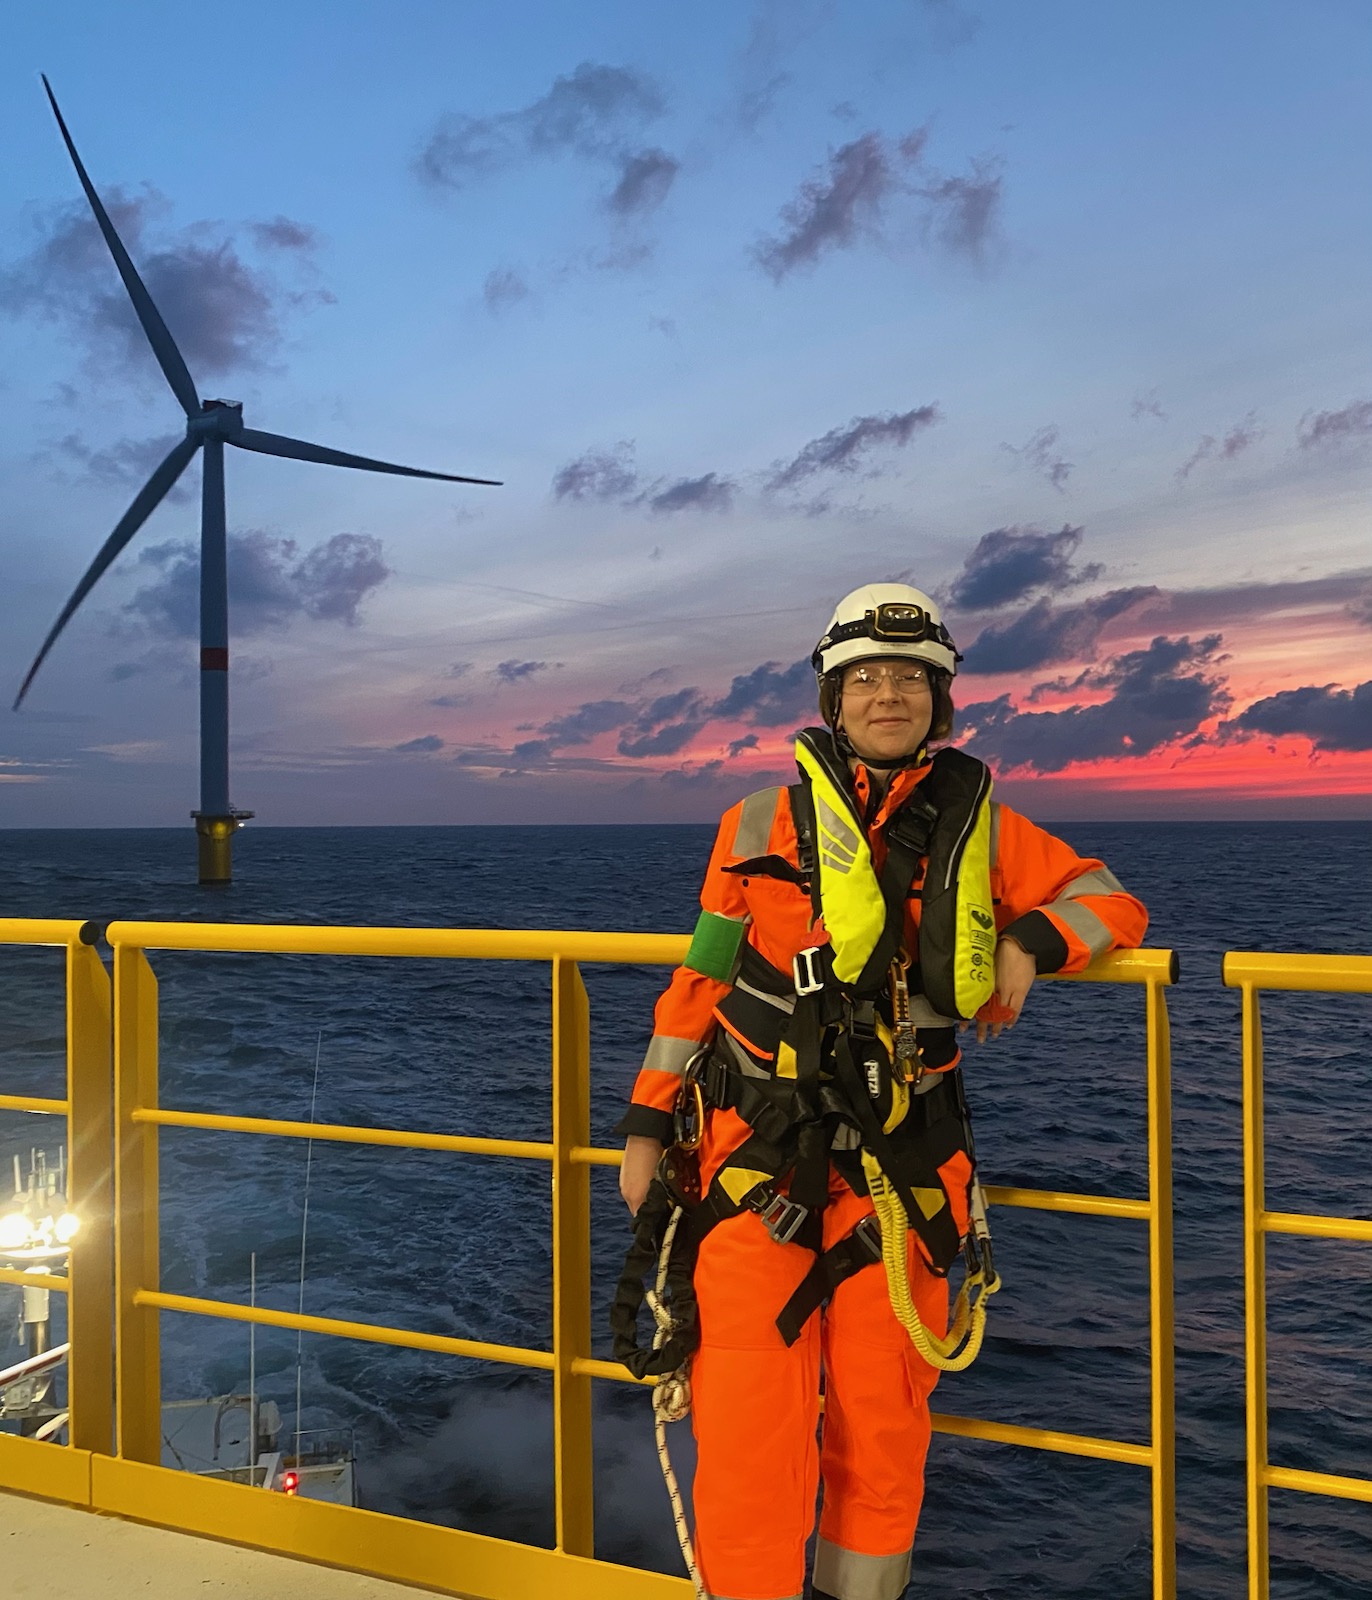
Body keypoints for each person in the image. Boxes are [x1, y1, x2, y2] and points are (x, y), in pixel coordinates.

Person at [617, 582, 1148, 1600]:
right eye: (866, 677)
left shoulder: (983, 827)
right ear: (833, 697)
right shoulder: (754, 823)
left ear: (939, 700)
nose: (888, 694)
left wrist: (1034, 943)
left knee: (881, 1423)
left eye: (909, 677)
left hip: (899, 1172)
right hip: (747, 1159)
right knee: (747, 1431)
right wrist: (646, 1125)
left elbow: (1108, 897)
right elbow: (701, 977)